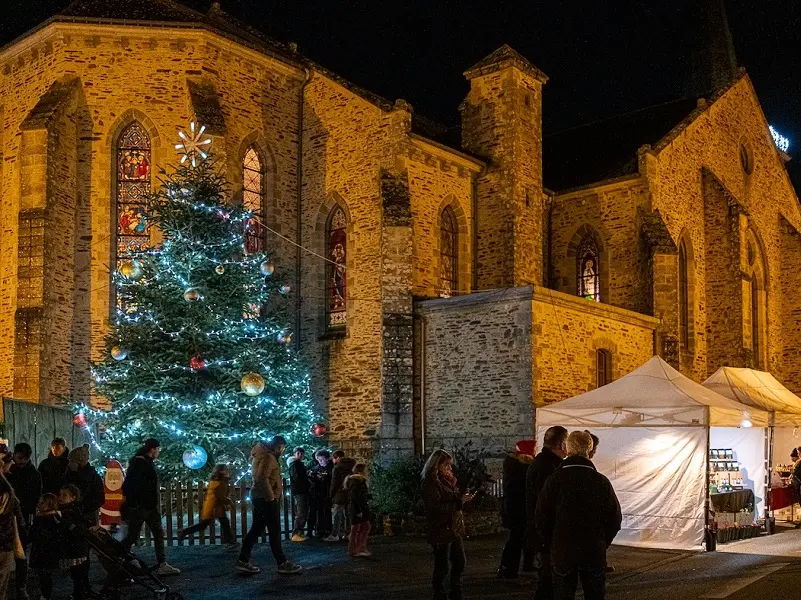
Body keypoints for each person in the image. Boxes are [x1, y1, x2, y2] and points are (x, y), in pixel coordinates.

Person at [535, 431, 622, 600]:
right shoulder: (600, 481)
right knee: (594, 594)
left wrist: (552, 542)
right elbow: (614, 518)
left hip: (562, 549)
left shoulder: (554, 480)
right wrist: (602, 541)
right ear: (590, 452)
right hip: (592, 550)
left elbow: (541, 517)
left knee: (563, 594)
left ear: (567, 450)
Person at [236, 436, 302, 575]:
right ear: (278, 446)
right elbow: (261, 478)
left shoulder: (263, 455)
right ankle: (282, 563)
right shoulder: (268, 457)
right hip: (265, 499)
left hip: (260, 497)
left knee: (257, 528)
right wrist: (271, 498)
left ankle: (243, 559)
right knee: (274, 530)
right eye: (283, 448)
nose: (283, 451)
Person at [122, 438, 180, 576]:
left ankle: (162, 563)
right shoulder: (141, 464)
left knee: (155, 533)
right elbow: (133, 485)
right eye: (158, 449)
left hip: (146, 506)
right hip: (143, 506)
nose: (158, 452)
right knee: (133, 535)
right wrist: (138, 502)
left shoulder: (140, 462)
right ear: (152, 449)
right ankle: (120, 557)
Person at [421, 449, 474, 600]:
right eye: (447, 465)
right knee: (442, 565)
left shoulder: (448, 481)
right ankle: (440, 594)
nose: (450, 469)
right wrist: (459, 503)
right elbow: (434, 508)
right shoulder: (430, 483)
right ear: (437, 466)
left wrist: (463, 500)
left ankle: (455, 592)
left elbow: (452, 500)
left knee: (459, 562)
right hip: (441, 528)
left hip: (452, 527)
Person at [526, 426, 568, 600]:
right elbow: (547, 504)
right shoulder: (547, 467)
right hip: (546, 533)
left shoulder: (545, 463)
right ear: (562, 444)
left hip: (543, 531)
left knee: (549, 578)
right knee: (548, 580)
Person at [498, 439, 535, 579]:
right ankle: (508, 570)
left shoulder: (514, 466)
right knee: (516, 539)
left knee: (518, 538)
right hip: (518, 508)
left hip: (515, 507)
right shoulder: (521, 468)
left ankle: (512, 567)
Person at [8, 442, 41, 600]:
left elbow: (33, 499)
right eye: (19, 457)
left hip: (21, 517)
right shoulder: (9, 471)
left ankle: (21, 586)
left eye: (24, 458)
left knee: (20, 554)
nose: (21, 461)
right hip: (7, 517)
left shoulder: (33, 475)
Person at [178, 464, 236, 547]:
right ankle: (230, 542)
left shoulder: (218, 480)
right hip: (214, 507)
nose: (228, 470)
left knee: (210, 524)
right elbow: (220, 496)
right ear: (221, 471)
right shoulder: (219, 481)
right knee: (218, 523)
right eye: (225, 469)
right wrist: (229, 502)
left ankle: (230, 541)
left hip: (213, 506)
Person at [59, 484, 92, 600]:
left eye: (65, 495)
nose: (61, 497)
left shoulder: (72, 512)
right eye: (60, 495)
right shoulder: (69, 510)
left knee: (78, 572)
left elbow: (76, 529)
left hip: (77, 547)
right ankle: (84, 590)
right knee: (79, 572)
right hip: (75, 547)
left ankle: (80, 593)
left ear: (73, 497)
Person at [28, 494, 61, 600]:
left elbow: (34, 536)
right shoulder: (53, 519)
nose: (39, 504)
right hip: (45, 554)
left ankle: (46, 596)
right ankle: (46, 595)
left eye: (42, 502)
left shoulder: (45, 520)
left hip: (43, 554)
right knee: (44, 576)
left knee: (44, 577)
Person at [65, 444, 105, 524]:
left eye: (72, 461)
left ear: (80, 462)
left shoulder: (92, 477)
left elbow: (100, 499)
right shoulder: (69, 475)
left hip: (87, 518)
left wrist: (83, 508)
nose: (69, 464)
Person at [0, 474, 24, 600]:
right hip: (6, 542)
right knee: (3, 581)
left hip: (5, 542)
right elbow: (19, 519)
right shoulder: (9, 495)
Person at [326, 450, 356, 542]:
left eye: (334, 458)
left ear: (338, 458)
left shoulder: (337, 468)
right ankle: (347, 533)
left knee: (337, 515)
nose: (333, 461)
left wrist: (330, 494)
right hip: (349, 493)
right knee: (348, 515)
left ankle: (335, 534)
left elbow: (334, 483)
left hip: (339, 494)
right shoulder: (351, 466)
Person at [346, 463, 371, 558]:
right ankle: (354, 549)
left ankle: (359, 548)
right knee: (357, 528)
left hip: (359, 507)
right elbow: (355, 497)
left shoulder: (358, 481)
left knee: (362, 527)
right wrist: (358, 510)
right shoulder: (356, 481)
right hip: (357, 508)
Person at [308, 449, 333, 538]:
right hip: (317, 493)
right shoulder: (316, 468)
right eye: (318, 460)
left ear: (327, 459)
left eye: (322, 460)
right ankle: (319, 530)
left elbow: (332, 481)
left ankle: (328, 529)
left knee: (327, 512)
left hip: (327, 493)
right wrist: (312, 478)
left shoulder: (331, 468)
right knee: (319, 513)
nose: (320, 462)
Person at [288, 447, 311, 542]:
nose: (300, 455)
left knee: (303, 512)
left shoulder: (299, 464)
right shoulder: (295, 464)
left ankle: (300, 532)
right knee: (301, 512)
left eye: (302, 453)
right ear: (294, 454)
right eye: (298, 453)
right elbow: (297, 478)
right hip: (299, 491)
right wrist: (306, 481)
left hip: (302, 490)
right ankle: (296, 533)